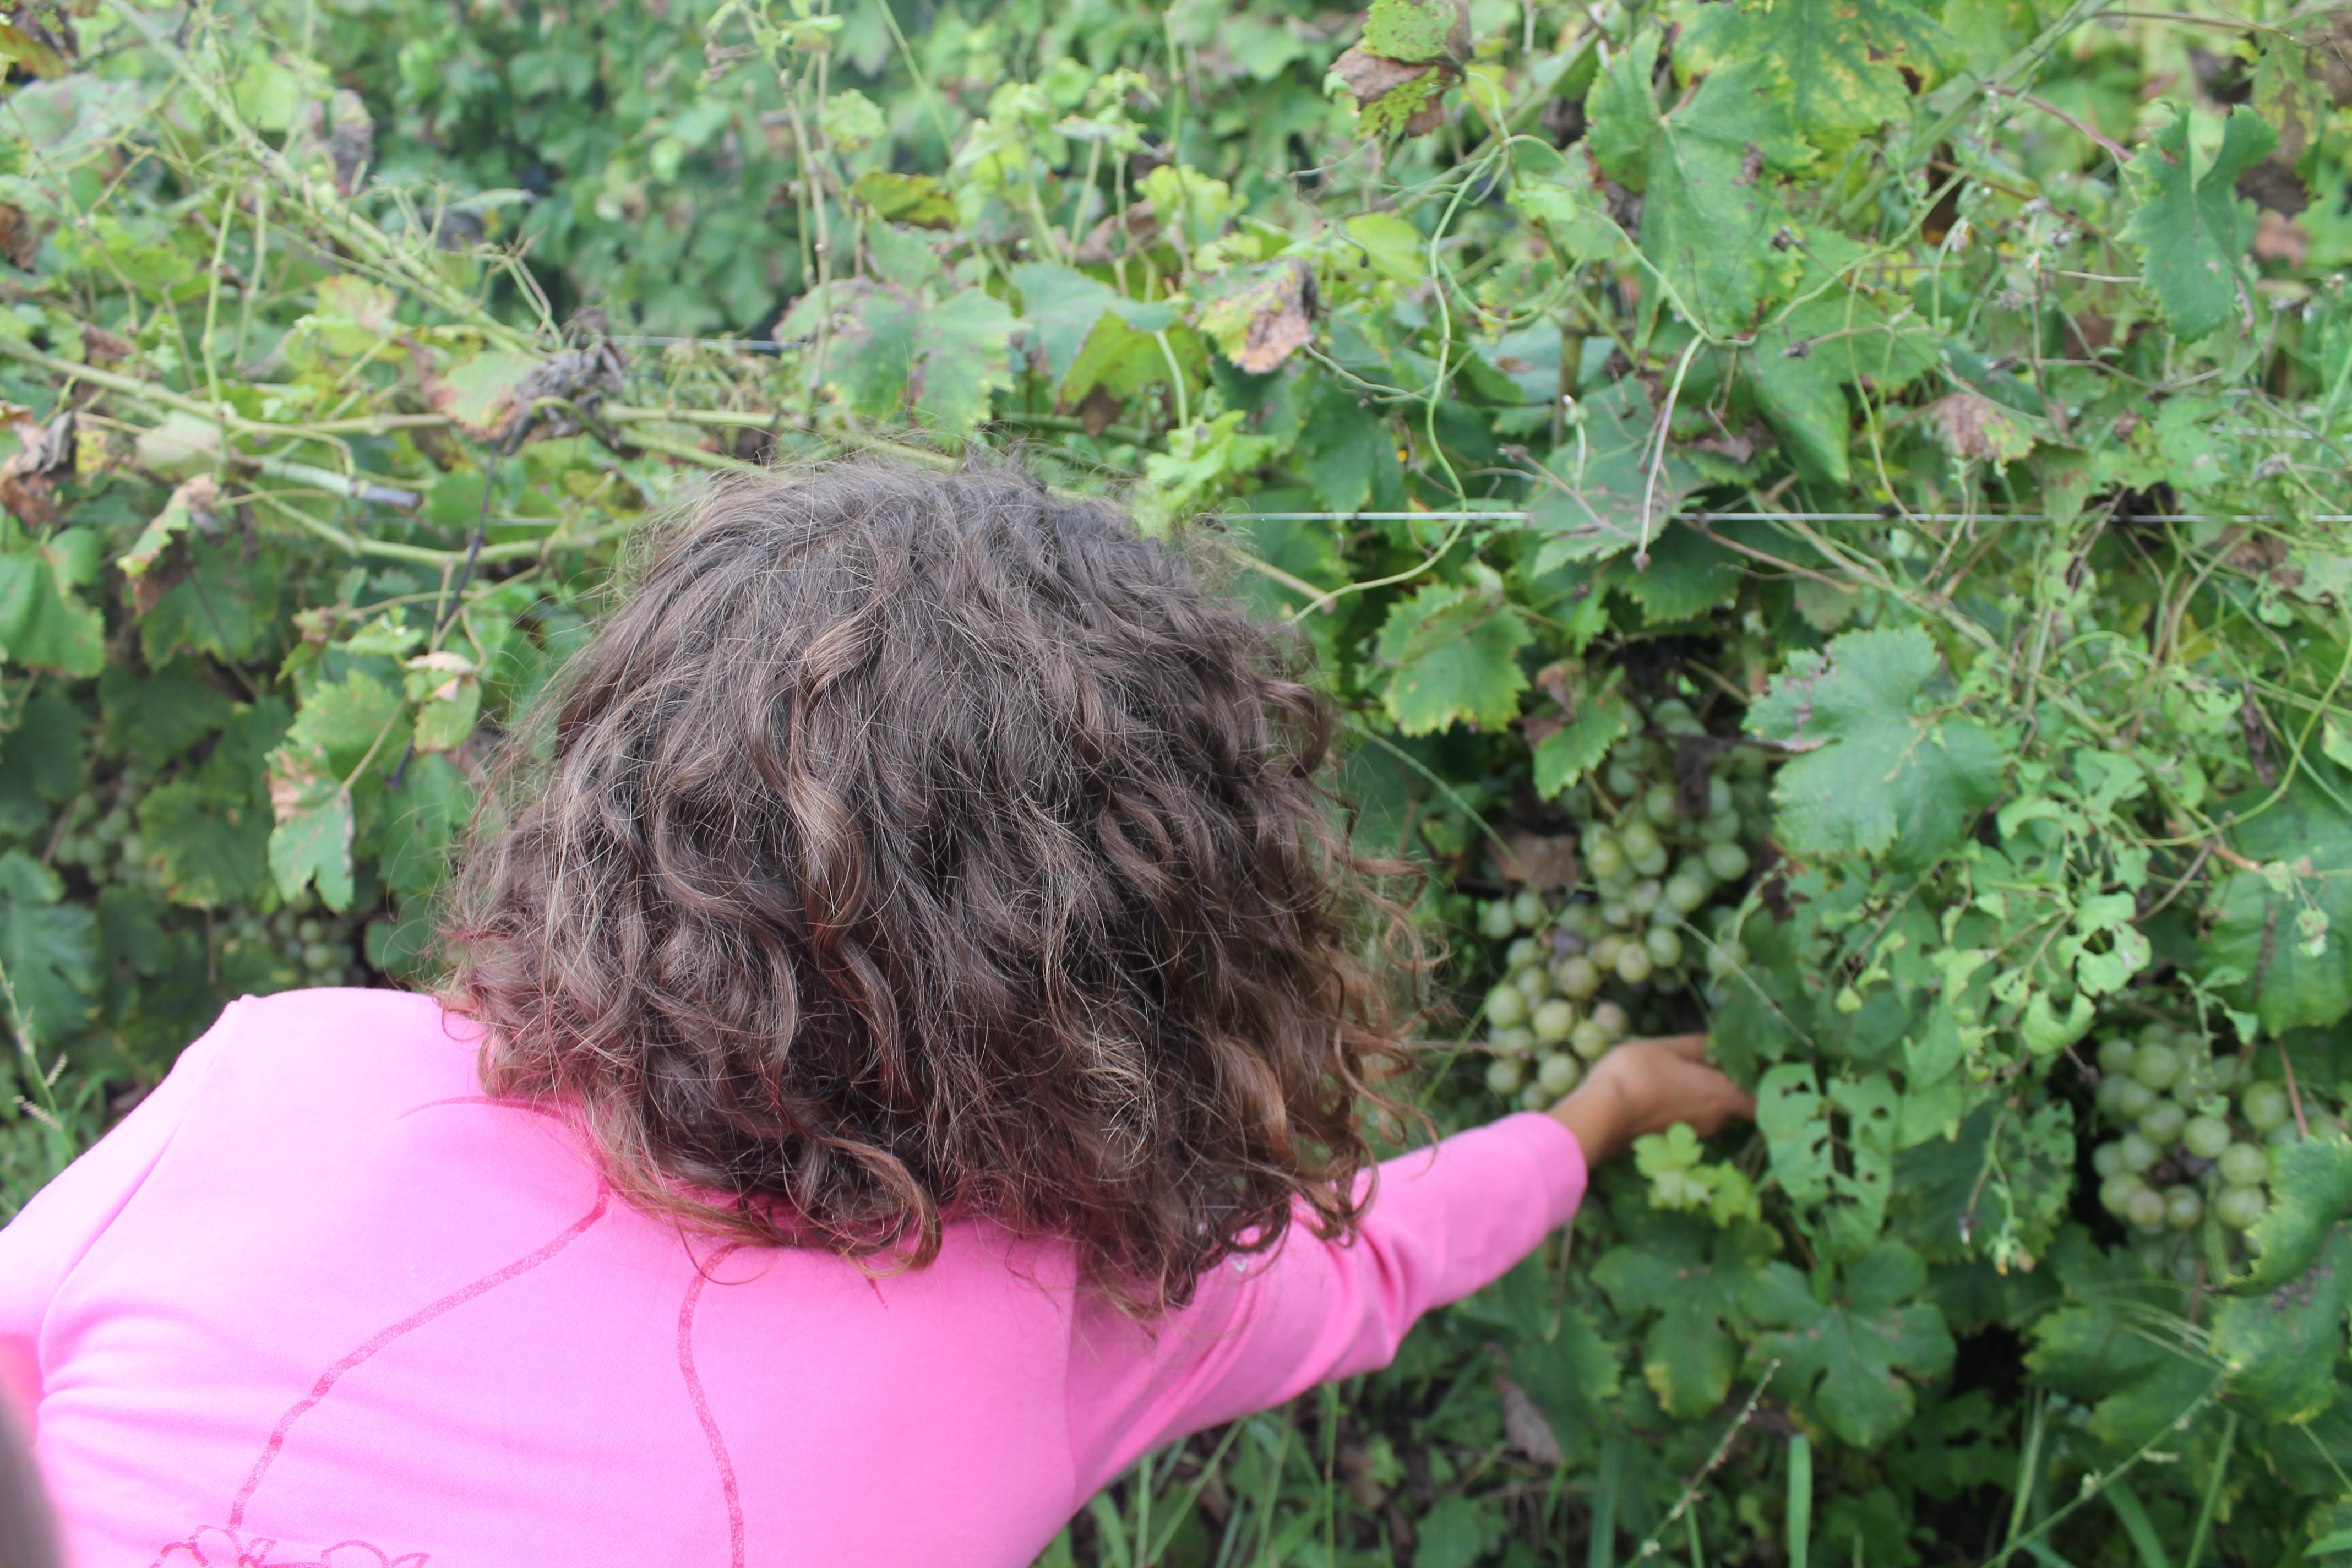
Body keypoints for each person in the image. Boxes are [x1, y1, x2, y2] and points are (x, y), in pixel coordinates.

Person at [0, 462, 1749, 1565]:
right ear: (1136, 959)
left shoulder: (283, 1076)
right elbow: (1366, 1266)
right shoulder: (1045, 1314)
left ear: (616, 787)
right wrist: (1595, 1108)